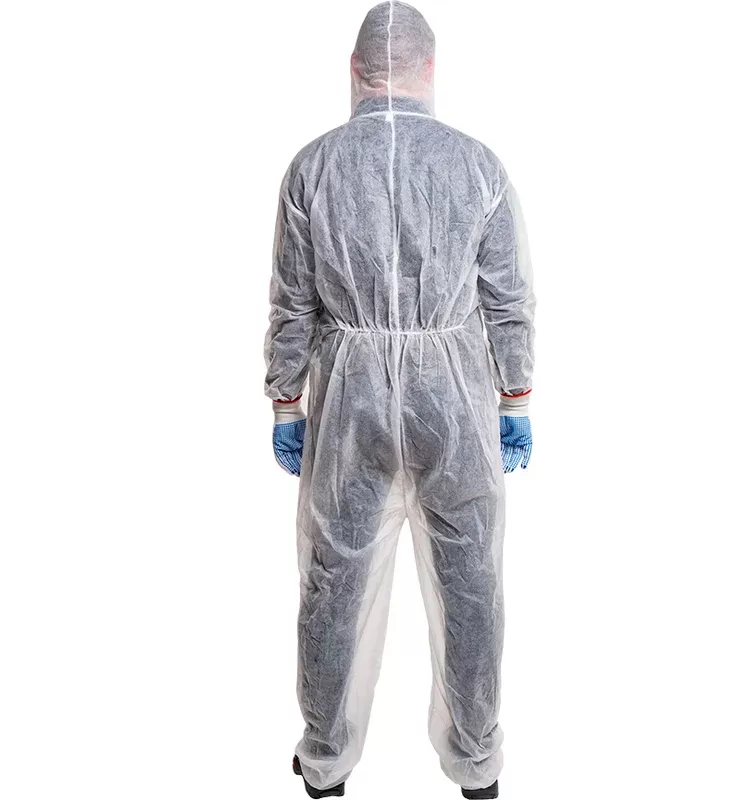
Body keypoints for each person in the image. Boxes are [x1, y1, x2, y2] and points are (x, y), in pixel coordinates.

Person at [264, 3, 535, 797]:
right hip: (454, 400)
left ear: (354, 73)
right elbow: (507, 299)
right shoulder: (477, 166)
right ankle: (477, 765)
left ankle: (325, 762)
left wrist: (287, 403)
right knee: (470, 583)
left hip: (348, 404)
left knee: (334, 583)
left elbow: (291, 303)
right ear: (430, 71)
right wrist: (515, 397)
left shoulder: (312, 168)